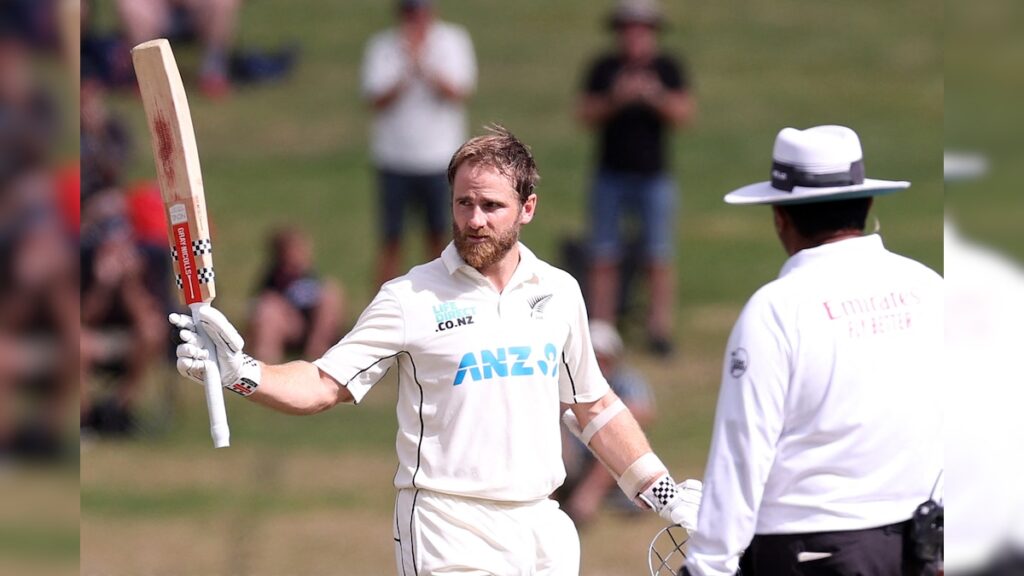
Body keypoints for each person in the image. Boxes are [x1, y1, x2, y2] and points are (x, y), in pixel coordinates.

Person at [171, 126, 701, 574]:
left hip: (543, 527)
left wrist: (664, 494)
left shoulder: (559, 291)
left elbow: (592, 405)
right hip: (447, 527)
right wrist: (240, 371)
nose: (475, 220)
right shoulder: (410, 297)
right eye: (464, 203)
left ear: (527, 208)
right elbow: (323, 383)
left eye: (493, 206)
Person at [683, 125, 943, 576]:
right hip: (925, 543)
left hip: (814, 550)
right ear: (867, 203)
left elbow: (743, 451)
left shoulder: (776, 309)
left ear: (781, 217)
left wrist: (707, 565)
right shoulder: (929, 287)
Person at [577, 0, 694, 356]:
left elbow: (684, 114)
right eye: (627, 28)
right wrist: (617, 98)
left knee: (658, 254)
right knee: (603, 254)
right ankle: (602, 329)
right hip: (609, 174)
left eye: (640, 28)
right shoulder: (604, 68)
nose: (634, 35)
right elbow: (585, 113)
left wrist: (653, 96)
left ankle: (659, 330)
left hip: (653, 176)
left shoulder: (668, 68)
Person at [361, 0, 476, 286]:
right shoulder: (383, 46)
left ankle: (443, 304)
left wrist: (422, 63)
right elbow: (376, 99)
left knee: (440, 238)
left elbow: (457, 91)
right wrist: (405, 70)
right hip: (394, 158)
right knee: (391, 239)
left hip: (440, 158)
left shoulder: (453, 41)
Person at [558, 319, 655, 526]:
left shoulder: (626, 380)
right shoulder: (565, 380)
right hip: (573, 453)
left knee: (614, 440)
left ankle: (585, 501)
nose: (600, 366)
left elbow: (645, 411)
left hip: (607, 459)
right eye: (594, 359)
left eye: (604, 360)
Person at [247, 227, 345, 363]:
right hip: (289, 326)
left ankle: (318, 352)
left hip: (312, 325)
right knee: (268, 309)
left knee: (331, 293)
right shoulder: (275, 278)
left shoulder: (310, 276)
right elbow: (257, 309)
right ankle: (266, 363)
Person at [114, 0, 241, 98]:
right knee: (131, 5)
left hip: (198, 7)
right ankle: (147, 76)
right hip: (158, 8)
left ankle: (213, 73)